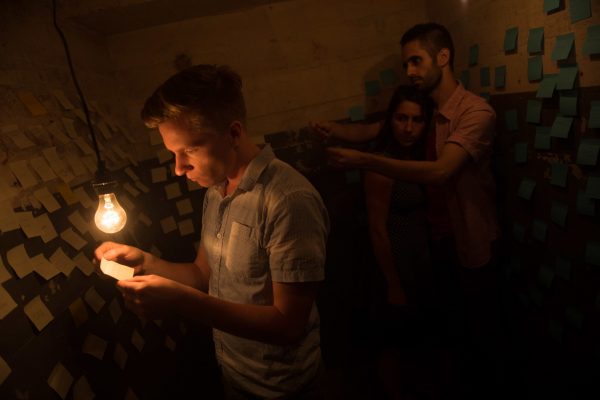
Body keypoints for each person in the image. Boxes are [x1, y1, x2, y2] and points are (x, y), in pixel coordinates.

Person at [95, 65, 329, 399]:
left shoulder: (289, 200)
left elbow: (288, 325)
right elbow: (202, 274)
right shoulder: (215, 192)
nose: (178, 168)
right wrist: (146, 263)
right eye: (172, 153)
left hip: (283, 387)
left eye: (188, 150)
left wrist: (179, 301)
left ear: (233, 134)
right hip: (232, 370)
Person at [312, 22, 502, 398]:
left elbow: (441, 170)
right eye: (406, 65)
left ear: (443, 57)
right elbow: (379, 128)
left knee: (479, 338)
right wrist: (335, 131)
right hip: (436, 245)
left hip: (471, 243)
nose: (410, 71)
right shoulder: (430, 110)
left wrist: (366, 161)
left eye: (416, 61)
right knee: (444, 333)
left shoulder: (477, 113)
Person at [364, 85, 436, 400]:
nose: (408, 128)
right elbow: (377, 228)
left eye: (417, 120)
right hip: (394, 262)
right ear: (390, 120)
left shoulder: (417, 157)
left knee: (418, 337)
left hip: (419, 258)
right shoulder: (383, 164)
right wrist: (393, 282)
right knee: (392, 340)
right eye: (401, 118)